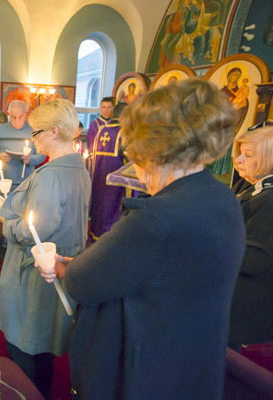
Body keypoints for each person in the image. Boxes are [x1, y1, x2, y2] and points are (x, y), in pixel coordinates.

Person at [38, 79, 245, 399]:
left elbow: (83, 283)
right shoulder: (222, 196)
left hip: (149, 371)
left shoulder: (156, 218)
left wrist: (66, 267)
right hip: (195, 361)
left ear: (155, 149)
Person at [0, 99, 90, 398]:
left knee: (26, 345)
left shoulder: (51, 175)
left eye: (36, 133)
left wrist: (3, 221)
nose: (32, 140)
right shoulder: (78, 167)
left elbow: (36, 231)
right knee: (43, 341)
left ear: (55, 131)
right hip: (61, 264)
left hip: (35, 272)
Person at [228, 120, 273, 350]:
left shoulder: (269, 200)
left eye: (248, 155)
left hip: (250, 303)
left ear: (268, 158)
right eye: (239, 154)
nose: (238, 161)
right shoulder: (252, 189)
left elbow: (256, 259)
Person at [88, 102, 130, 241]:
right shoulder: (124, 133)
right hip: (116, 185)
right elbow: (130, 160)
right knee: (113, 213)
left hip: (99, 180)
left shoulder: (101, 130)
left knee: (100, 211)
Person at [0, 100, 45, 191]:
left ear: (26, 114)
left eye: (21, 117)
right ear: (8, 114)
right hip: (5, 182)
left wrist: (30, 159)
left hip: (27, 183)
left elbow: (42, 155)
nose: (17, 120)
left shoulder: (34, 130)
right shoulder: (1, 129)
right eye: (13, 117)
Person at [85, 97, 114, 175]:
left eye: (109, 107)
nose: (106, 110)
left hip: (112, 160)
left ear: (112, 108)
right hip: (97, 160)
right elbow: (90, 143)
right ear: (100, 108)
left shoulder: (116, 124)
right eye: (104, 107)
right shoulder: (95, 124)